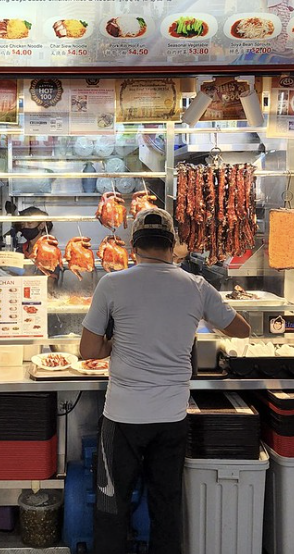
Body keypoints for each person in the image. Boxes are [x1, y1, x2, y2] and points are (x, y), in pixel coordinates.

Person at [79, 208, 251, 554]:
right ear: (173, 245)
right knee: (167, 506)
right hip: (171, 418)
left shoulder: (112, 283)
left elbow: (88, 350)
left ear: (133, 246)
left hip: (122, 418)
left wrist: (116, 342)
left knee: (111, 506)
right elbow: (242, 330)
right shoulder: (196, 286)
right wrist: (197, 321)